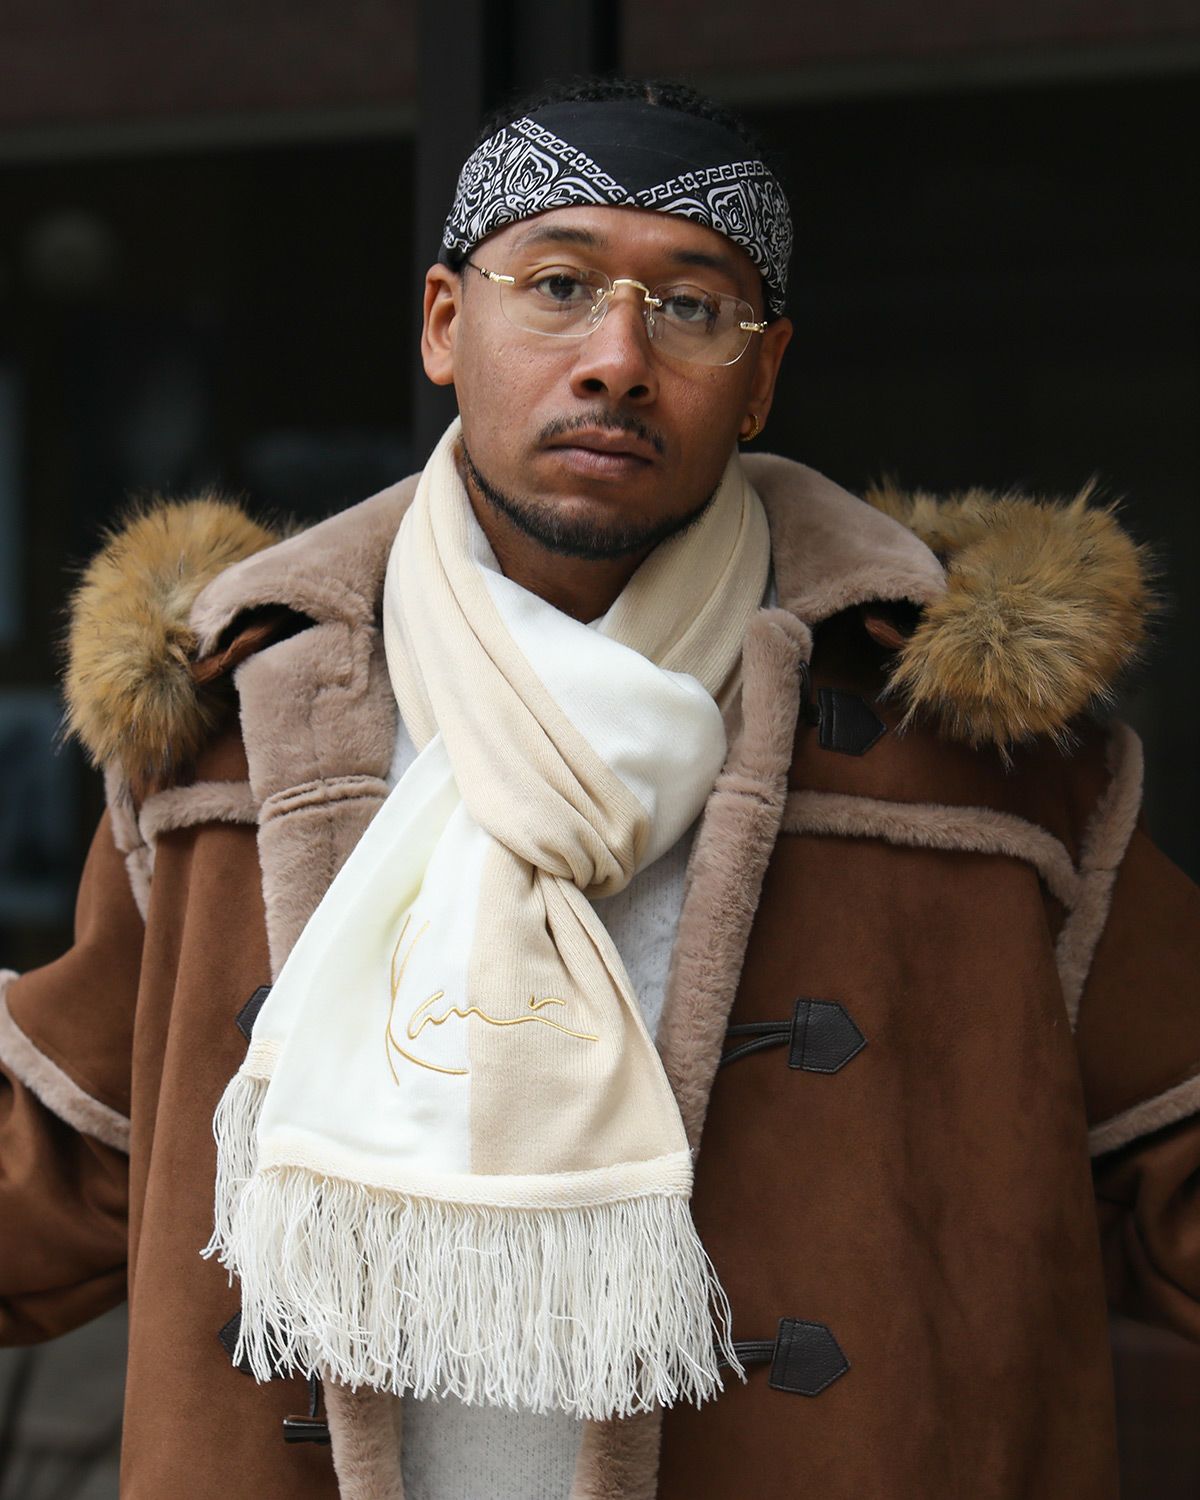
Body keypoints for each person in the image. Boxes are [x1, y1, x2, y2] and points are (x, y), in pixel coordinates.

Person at [1, 74, 1198, 1500]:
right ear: (445, 323)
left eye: (691, 306)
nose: (617, 360)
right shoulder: (232, 729)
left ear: (763, 375)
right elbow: (56, 1175)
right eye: (559, 286)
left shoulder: (986, 756)